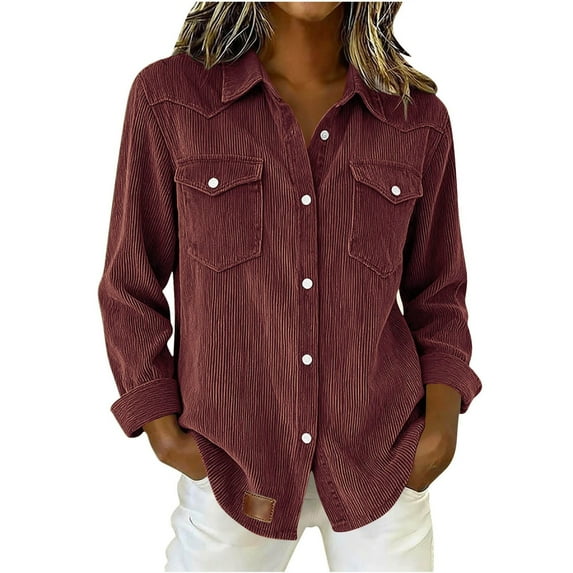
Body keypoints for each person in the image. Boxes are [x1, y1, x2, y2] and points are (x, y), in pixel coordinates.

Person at [97, 2, 483, 571]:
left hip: (383, 460)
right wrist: (162, 429)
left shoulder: (416, 117)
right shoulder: (171, 98)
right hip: (232, 464)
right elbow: (131, 279)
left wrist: (440, 431)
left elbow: (438, 290)